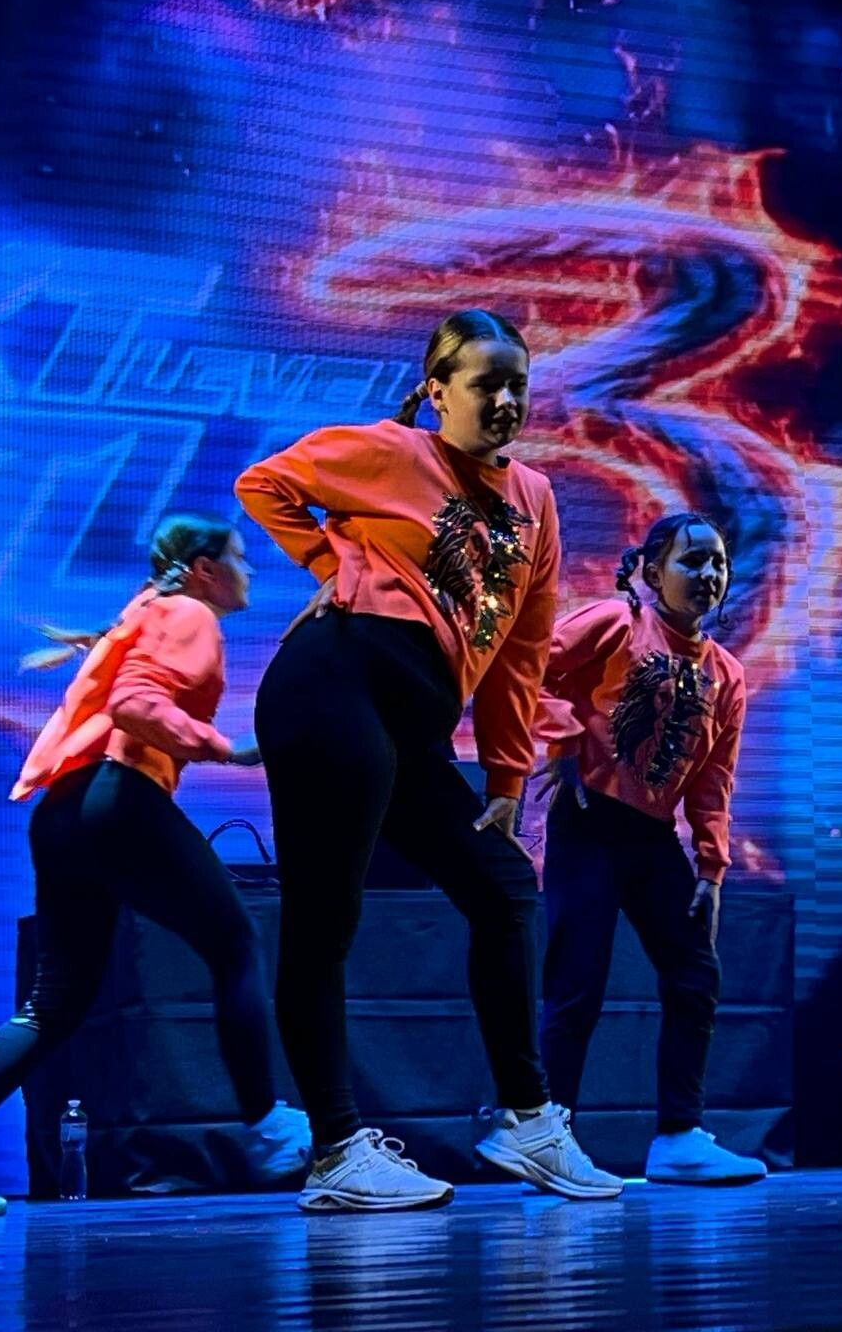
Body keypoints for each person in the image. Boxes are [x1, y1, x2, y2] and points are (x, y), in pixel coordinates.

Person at [236, 308, 618, 1211]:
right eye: (488, 384)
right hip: (333, 682)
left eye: (518, 385)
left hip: (412, 723)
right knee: (325, 919)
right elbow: (265, 483)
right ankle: (336, 1152)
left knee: (502, 887)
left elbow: (522, 647)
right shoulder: (390, 451)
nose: (507, 400)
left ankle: (529, 1122)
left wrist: (507, 775)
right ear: (438, 390)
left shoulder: (534, 499)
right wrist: (331, 563)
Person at [0, 514, 308, 1216]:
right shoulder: (189, 613)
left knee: (56, 1003)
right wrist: (222, 749)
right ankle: (268, 1127)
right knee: (235, 944)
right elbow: (136, 704)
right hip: (119, 799)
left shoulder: (146, 612)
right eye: (240, 557)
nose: (251, 570)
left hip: (64, 813)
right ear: (204, 569)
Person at [534, 512, 767, 1185]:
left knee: (695, 976)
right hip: (590, 825)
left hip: (653, 839)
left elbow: (714, 777)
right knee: (577, 984)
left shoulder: (726, 673)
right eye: (692, 561)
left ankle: (679, 1136)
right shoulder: (616, 622)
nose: (708, 574)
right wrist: (564, 740)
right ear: (652, 570)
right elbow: (532, 665)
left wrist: (712, 869)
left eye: (718, 563)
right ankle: (547, 1134)